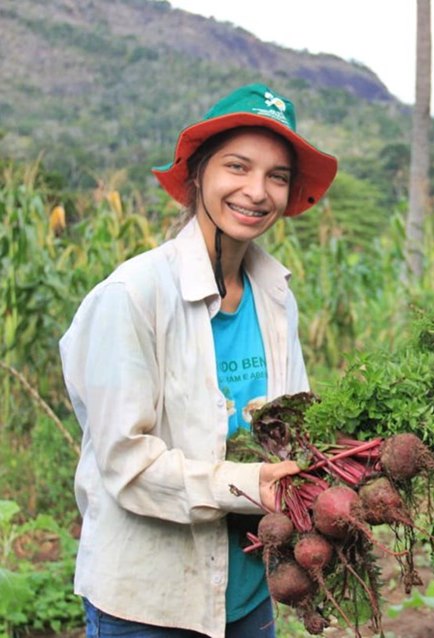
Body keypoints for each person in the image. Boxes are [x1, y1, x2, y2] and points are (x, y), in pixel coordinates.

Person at [59, 83, 338, 637]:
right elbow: (127, 465)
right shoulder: (134, 296)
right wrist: (250, 483)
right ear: (198, 175)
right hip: (151, 603)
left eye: (277, 177)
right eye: (238, 167)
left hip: (252, 594)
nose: (256, 192)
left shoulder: (275, 296)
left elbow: (290, 430)